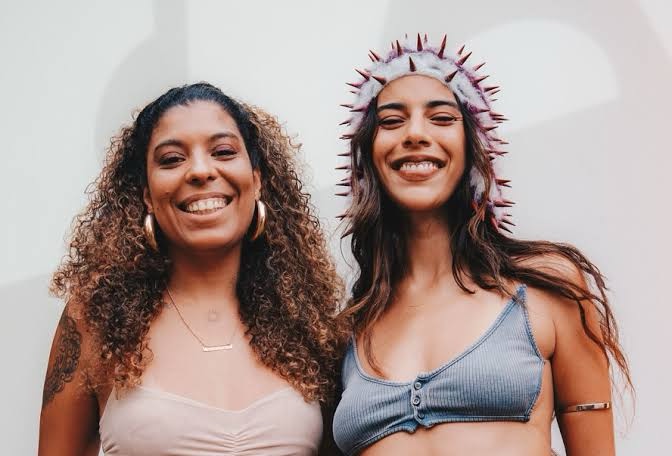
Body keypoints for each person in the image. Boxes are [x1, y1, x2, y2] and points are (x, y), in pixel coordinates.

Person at [332, 35, 632, 455]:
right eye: (392, 121)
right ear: (367, 156)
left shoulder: (548, 286)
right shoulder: (351, 329)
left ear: (474, 146)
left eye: (441, 118)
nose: (415, 133)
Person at [39, 82, 347, 455]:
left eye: (223, 152)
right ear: (146, 195)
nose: (200, 171)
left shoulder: (309, 324)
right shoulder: (96, 317)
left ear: (257, 180)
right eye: (172, 159)